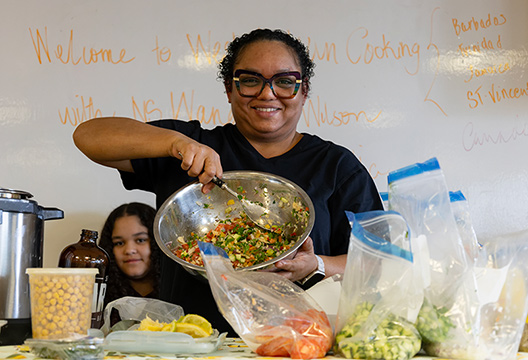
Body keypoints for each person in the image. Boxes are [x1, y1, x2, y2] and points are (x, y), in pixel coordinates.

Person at [73, 28, 383, 334]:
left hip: (296, 346)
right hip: (191, 345)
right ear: (229, 89)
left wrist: (316, 264)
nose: (267, 93)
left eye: (285, 82)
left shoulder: (336, 166)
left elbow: (381, 263)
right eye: (250, 80)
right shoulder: (190, 147)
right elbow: (87, 136)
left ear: (303, 91)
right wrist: (175, 144)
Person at [98, 202, 160, 311]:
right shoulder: (97, 297)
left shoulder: (177, 292)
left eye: (140, 240)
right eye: (119, 243)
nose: (129, 250)